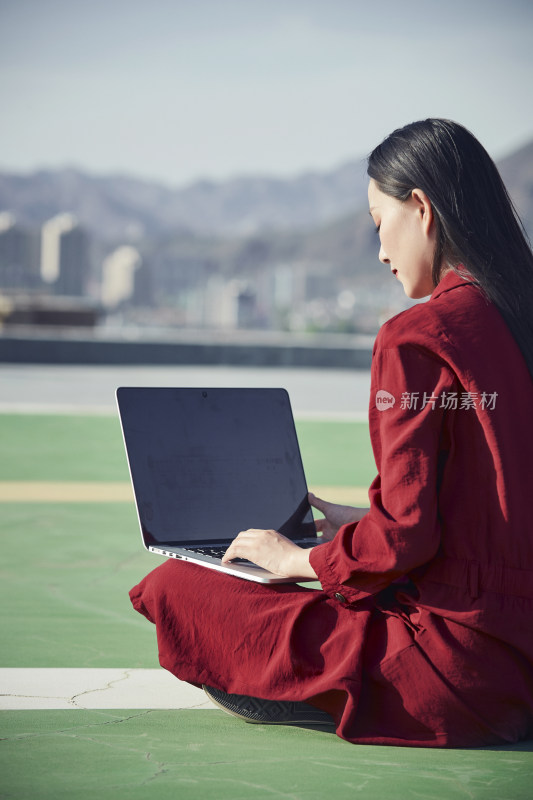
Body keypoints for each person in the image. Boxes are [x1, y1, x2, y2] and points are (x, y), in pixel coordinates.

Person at [130, 119, 533, 747]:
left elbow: (404, 538)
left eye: (380, 224)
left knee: (178, 587)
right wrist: (351, 522)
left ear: (421, 209)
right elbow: (479, 509)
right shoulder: (519, 320)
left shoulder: (418, 338)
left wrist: (300, 560)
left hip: (461, 670)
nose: (380, 252)